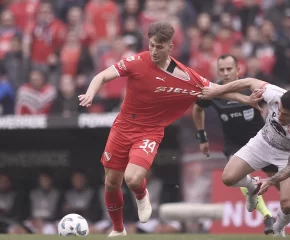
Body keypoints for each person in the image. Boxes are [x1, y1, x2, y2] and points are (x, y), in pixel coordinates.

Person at [78, 22, 263, 237]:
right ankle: (118, 230)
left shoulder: (185, 76)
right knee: (111, 183)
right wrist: (90, 93)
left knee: (133, 179)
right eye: (151, 45)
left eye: (159, 47)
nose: (154, 51)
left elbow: (217, 90)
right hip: (123, 126)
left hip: (150, 131)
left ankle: (141, 194)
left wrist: (246, 99)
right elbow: (101, 76)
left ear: (170, 47)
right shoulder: (137, 61)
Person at [193, 54, 290, 236]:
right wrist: (215, 93)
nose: (279, 117)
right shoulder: (274, 94)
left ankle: (285, 225)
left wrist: (270, 181)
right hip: (259, 142)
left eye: (286, 115)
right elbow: (249, 82)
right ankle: (255, 196)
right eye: (278, 110)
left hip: (286, 155)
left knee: (287, 203)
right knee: (229, 178)